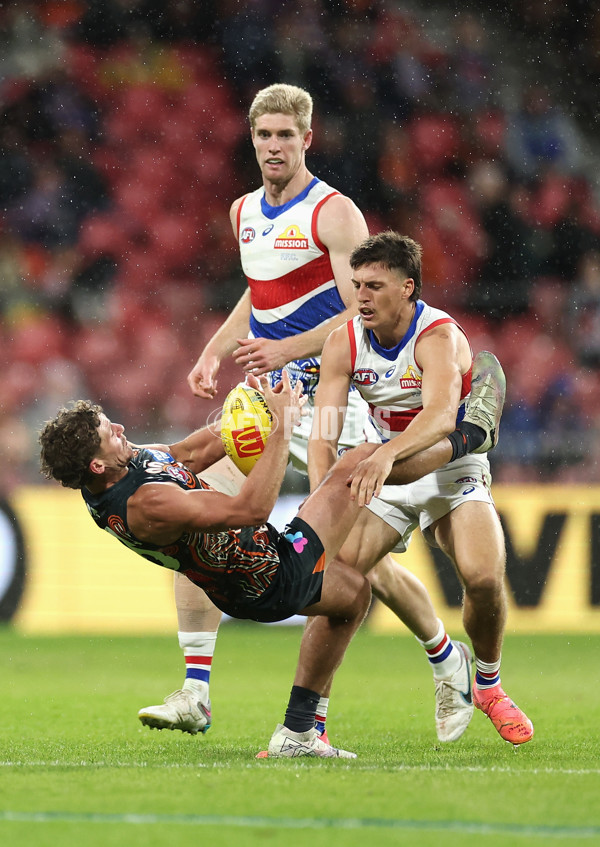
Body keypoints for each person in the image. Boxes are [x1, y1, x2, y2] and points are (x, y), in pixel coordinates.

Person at [140, 82, 471, 745]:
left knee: (352, 561)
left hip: (330, 402)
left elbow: (365, 307)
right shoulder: (242, 213)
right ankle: (196, 690)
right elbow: (258, 290)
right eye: (263, 135)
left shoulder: (334, 213)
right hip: (267, 402)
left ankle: (444, 654)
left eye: (285, 135)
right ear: (251, 138)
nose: (273, 146)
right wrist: (214, 350)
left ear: (307, 139)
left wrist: (284, 348)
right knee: (198, 510)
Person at [308, 230, 534, 745]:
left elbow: (436, 416)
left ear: (408, 288)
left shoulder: (438, 336)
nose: (361, 296)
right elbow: (324, 430)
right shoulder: (343, 341)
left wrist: (386, 455)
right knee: (336, 580)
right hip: (384, 467)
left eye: (375, 286)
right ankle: (310, 722)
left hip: (447, 464)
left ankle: (489, 685)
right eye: (356, 284)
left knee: (480, 577)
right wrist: (325, 495)